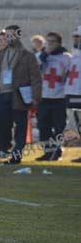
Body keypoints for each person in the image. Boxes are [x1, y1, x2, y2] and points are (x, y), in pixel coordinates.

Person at [0, 25, 41, 164]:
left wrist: (35, 97)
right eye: (7, 36)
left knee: (20, 127)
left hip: (19, 95)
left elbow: (35, 78)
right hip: (1, 94)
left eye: (12, 35)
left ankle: (16, 157)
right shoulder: (1, 53)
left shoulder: (28, 55)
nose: (9, 38)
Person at [35, 32, 72, 161]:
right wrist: (45, 53)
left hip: (59, 97)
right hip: (43, 97)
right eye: (48, 41)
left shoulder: (66, 57)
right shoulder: (40, 55)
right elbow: (35, 66)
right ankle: (47, 151)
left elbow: (70, 75)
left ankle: (57, 151)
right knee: (43, 126)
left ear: (59, 43)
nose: (50, 44)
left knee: (58, 127)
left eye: (53, 42)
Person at [68, 27, 81, 162]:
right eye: (75, 37)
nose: (76, 39)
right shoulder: (75, 53)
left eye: (78, 37)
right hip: (73, 93)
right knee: (78, 125)